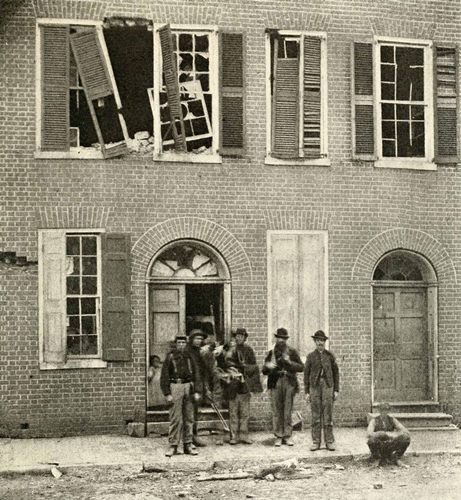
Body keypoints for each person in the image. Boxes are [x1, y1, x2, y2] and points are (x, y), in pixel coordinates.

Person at [160, 335, 202, 457]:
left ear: (186, 344)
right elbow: (164, 377)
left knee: (189, 417)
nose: (181, 345)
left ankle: (188, 444)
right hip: (175, 387)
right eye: (179, 343)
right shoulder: (170, 357)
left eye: (184, 343)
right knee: (176, 418)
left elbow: (197, 375)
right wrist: (167, 394)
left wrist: (197, 391)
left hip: (189, 387)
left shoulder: (190, 357)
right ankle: (173, 445)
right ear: (176, 344)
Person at [262, 327, 303, 447]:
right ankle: (278, 436)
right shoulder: (271, 353)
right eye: (279, 338)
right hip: (275, 382)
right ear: (276, 338)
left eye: (283, 338)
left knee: (287, 410)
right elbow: (264, 370)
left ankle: (287, 436)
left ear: (286, 339)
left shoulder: (292, 351)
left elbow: (301, 367)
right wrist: (268, 366)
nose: (281, 340)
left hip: (289, 382)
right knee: (276, 410)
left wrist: (290, 362)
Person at [224, 328, 263, 445]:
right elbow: (226, 363)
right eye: (237, 336)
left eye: (241, 336)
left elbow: (254, 367)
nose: (239, 338)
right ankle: (234, 436)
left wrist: (244, 368)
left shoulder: (249, 350)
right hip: (233, 386)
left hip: (244, 386)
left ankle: (244, 435)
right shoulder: (230, 349)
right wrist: (233, 369)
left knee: (245, 413)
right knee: (233, 412)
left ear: (245, 338)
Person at [304, 330, 339, 451]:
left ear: (325, 342)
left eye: (322, 340)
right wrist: (307, 392)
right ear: (315, 341)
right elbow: (306, 375)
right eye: (318, 340)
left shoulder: (330, 356)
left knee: (328, 414)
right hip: (314, 387)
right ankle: (316, 442)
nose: (320, 343)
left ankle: (329, 442)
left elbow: (336, 373)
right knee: (315, 415)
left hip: (328, 386)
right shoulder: (310, 356)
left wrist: (336, 390)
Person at [186, 328, 210, 447]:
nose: (199, 341)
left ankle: (193, 436)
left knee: (194, 413)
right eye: (196, 338)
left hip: (198, 387)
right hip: (189, 388)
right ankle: (188, 439)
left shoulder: (199, 353)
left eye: (201, 339)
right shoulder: (187, 352)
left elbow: (204, 371)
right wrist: (194, 390)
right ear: (191, 340)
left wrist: (204, 388)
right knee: (188, 414)